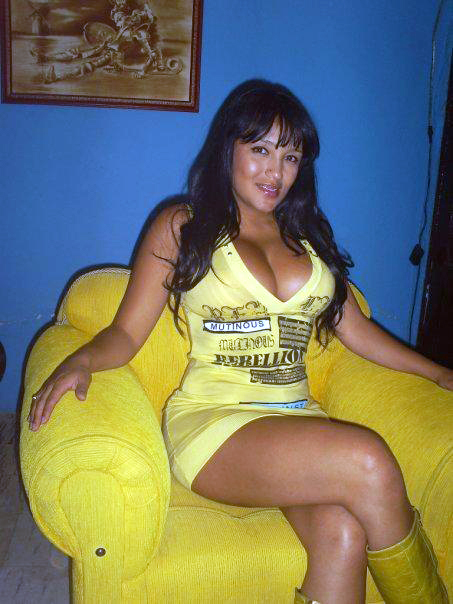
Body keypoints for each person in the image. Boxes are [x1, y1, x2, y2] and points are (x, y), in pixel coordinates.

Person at [28, 80, 452, 604]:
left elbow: (357, 331)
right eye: (261, 150)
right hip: (216, 424)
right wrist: (83, 360)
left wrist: (437, 372)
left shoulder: (308, 240)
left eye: (291, 157)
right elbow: (126, 332)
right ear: (227, 147)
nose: (276, 171)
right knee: (369, 459)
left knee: (342, 534)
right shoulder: (184, 227)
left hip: (299, 422)